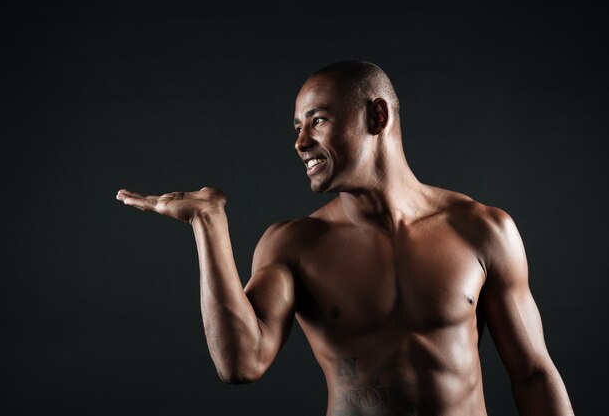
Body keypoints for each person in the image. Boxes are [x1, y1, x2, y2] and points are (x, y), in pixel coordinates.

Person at [115, 61, 575, 416]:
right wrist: (208, 224)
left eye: (317, 121)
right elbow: (241, 363)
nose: (300, 143)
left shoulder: (481, 229)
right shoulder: (295, 244)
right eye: (297, 127)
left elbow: (533, 374)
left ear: (377, 115)